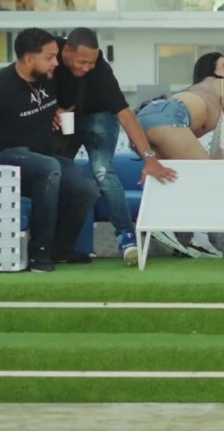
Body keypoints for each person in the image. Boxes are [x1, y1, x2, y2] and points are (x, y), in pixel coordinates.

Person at [0, 28, 99, 274]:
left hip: (38, 158)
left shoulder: (47, 77)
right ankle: (39, 251)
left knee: (86, 190)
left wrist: (57, 111)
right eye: (49, 57)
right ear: (29, 59)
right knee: (49, 167)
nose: (56, 63)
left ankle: (59, 249)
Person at [53, 27, 177, 266]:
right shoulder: (50, 52)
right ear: (66, 51)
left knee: (102, 170)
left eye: (92, 62)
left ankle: (126, 237)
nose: (87, 68)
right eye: (82, 62)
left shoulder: (100, 70)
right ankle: (57, 244)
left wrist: (150, 158)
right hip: (65, 117)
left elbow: (126, 115)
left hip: (100, 116)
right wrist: (53, 109)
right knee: (55, 169)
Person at [134, 52, 224, 258]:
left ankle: (161, 224)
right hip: (169, 115)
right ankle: (199, 240)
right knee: (208, 175)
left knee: (169, 176)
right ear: (210, 70)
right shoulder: (221, 84)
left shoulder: (196, 91)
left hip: (143, 119)